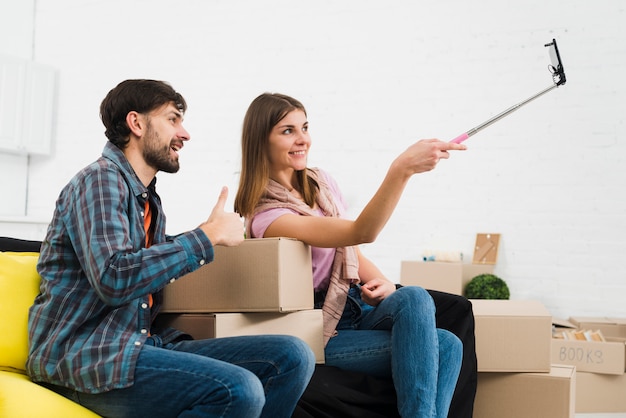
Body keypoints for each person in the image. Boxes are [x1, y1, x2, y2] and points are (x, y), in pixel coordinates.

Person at [26, 80, 315, 418]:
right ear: (137, 123)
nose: (185, 133)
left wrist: (205, 237)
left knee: (292, 355)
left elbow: (141, 262)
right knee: (239, 389)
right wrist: (205, 238)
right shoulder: (100, 181)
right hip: (87, 357)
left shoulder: (148, 198)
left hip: (141, 344)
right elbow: (114, 278)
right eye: (173, 119)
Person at [234, 93, 466, 418]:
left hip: (353, 303)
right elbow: (360, 232)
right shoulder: (268, 217)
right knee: (445, 346)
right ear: (261, 141)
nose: (303, 139)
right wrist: (401, 170)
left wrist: (382, 282)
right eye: (288, 131)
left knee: (417, 302)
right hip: (319, 328)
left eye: (304, 127)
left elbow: (347, 250)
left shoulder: (321, 183)